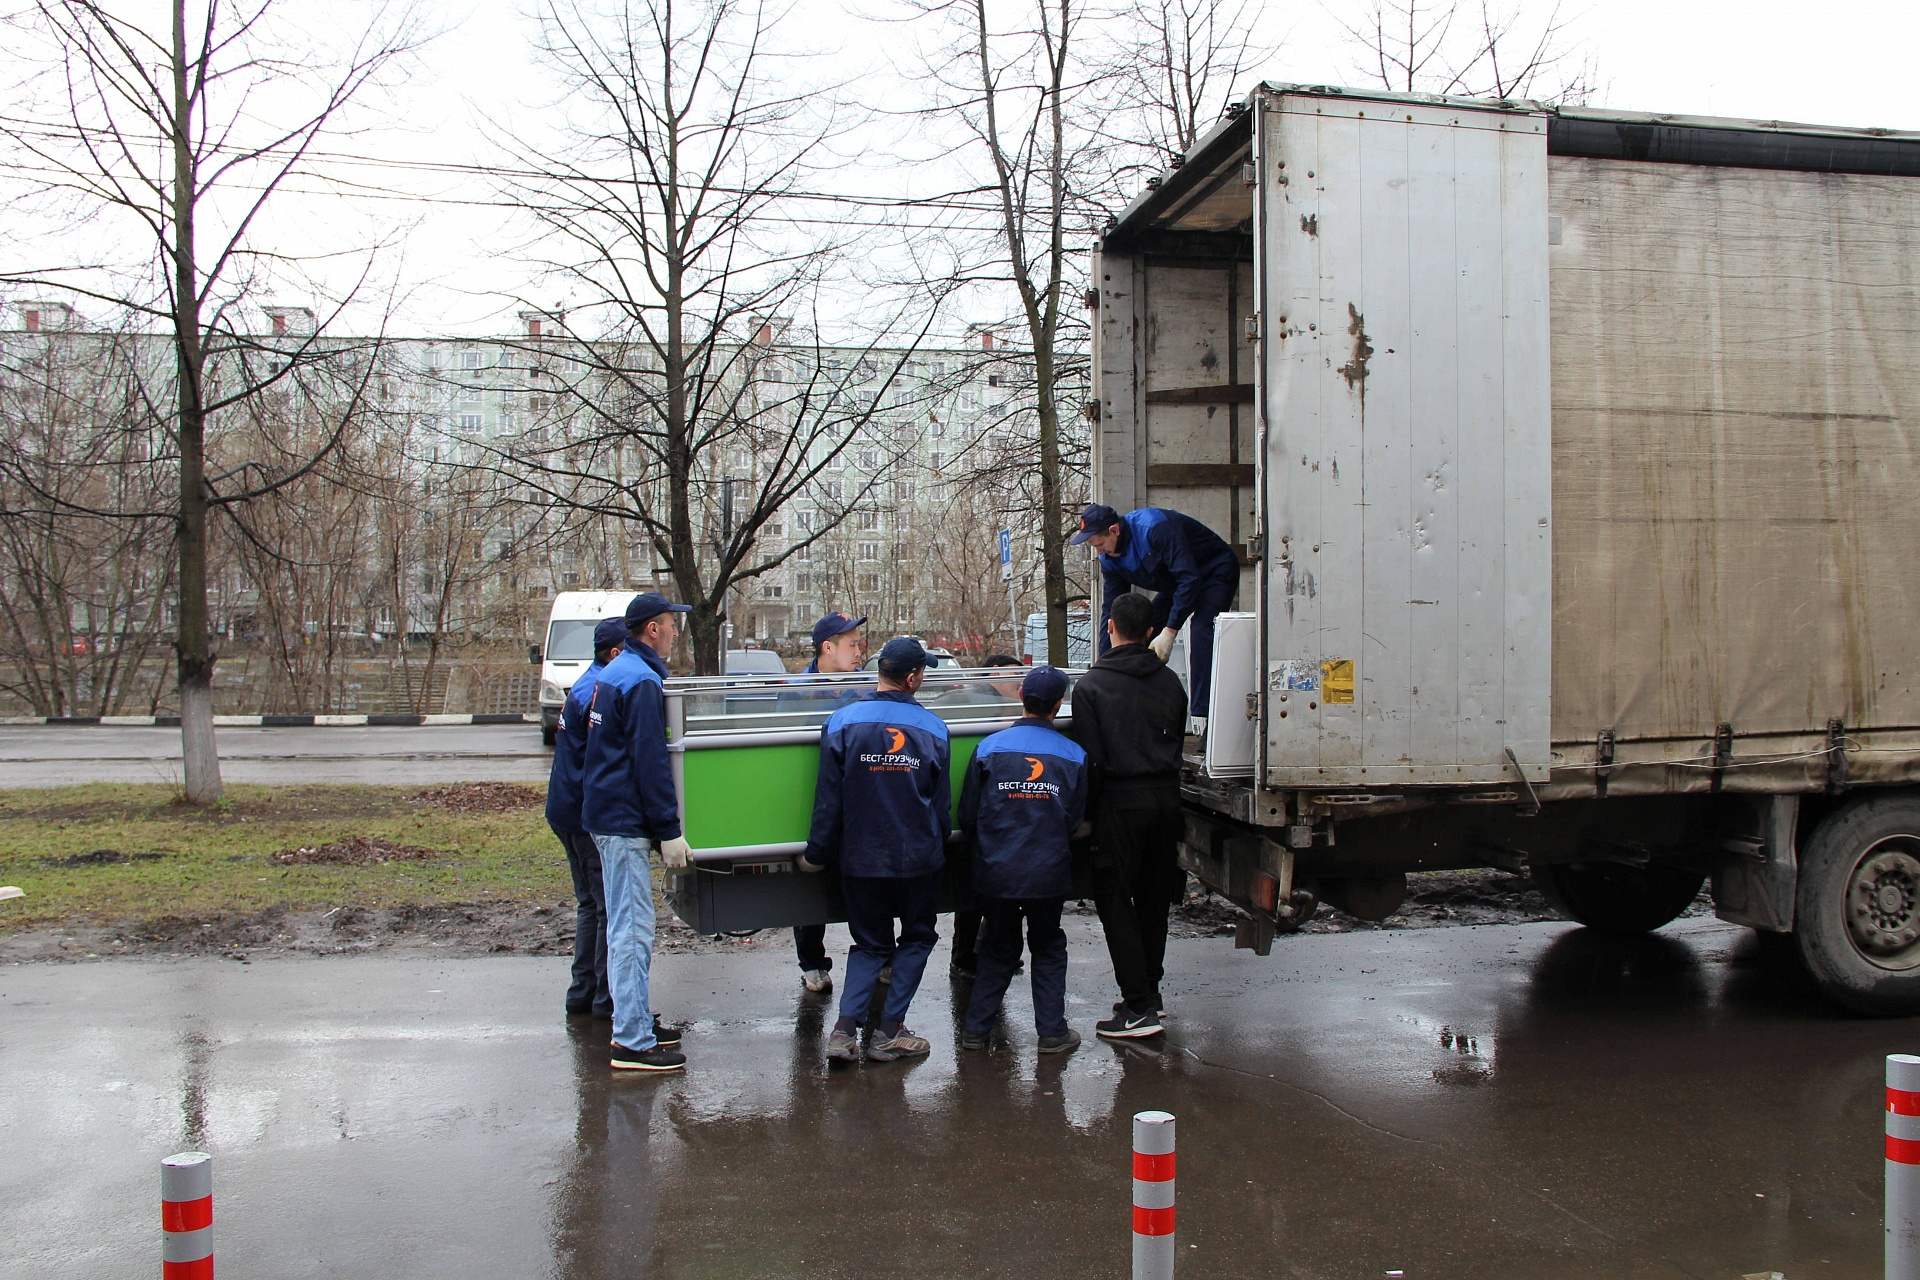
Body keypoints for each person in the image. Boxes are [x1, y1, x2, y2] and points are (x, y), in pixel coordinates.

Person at [799, 637, 951, 1063]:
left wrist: (817, 852)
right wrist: (942, 851)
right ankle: (889, 1032)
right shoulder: (935, 728)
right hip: (917, 858)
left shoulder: (841, 722)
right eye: (923, 671)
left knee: (869, 944)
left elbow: (828, 798)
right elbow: (940, 808)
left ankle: (844, 1032)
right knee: (918, 937)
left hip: (859, 858)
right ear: (912, 678)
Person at [582, 592, 693, 1073]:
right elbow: (650, 762)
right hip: (622, 821)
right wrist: (669, 829)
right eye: (671, 624)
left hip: (609, 815)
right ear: (653, 629)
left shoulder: (617, 671)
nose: (674, 632)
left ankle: (636, 1025)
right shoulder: (641, 680)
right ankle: (631, 1041)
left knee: (628, 925)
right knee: (632, 930)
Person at [1070, 591, 1189, 1039]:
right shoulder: (1170, 681)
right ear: (1151, 632)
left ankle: (1138, 1008)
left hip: (1120, 803)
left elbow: (1091, 760)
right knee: (1154, 900)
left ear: (1110, 627)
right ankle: (1148, 993)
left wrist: (1087, 816)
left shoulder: (1091, 687)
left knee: (1115, 899)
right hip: (1166, 799)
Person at [957, 665, 1088, 1054]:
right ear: (1058, 705)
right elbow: (1074, 821)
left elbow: (968, 816)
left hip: (996, 872)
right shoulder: (1074, 755)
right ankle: (1052, 1033)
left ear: (1021, 698)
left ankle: (975, 1031)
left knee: (997, 945)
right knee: (1047, 945)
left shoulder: (988, 748)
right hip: (1046, 874)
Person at [1070, 501, 1239, 731]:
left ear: (1114, 530)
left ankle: (1207, 719)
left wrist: (1170, 631)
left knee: (1201, 630)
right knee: (1140, 630)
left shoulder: (1155, 529)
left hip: (1213, 570)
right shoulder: (1109, 559)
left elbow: (1189, 579)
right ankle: (1137, 709)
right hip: (1176, 584)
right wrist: (1105, 664)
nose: (1099, 551)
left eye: (1100, 544)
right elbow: (1112, 612)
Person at [546, 615, 627, 1020]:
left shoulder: (585, 682)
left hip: (563, 808)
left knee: (589, 904)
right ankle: (603, 999)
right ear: (615, 653)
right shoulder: (601, 689)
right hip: (582, 814)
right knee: (604, 906)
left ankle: (582, 992)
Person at [787, 611, 868, 995]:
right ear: (827, 648)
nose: (859, 650)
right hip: (810, 806)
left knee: (863, 888)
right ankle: (812, 963)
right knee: (808, 889)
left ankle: (872, 955)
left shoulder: (867, 689)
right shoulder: (794, 692)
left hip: (858, 805)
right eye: (852, 644)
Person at [933, 653, 1028, 981]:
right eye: (1015, 677)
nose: (1019, 685)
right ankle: (965, 956)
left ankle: (986, 951)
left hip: (992, 815)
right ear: (994, 673)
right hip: (973, 813)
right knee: (972, 893)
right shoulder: (970, 703)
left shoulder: (1008, 709)